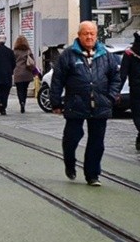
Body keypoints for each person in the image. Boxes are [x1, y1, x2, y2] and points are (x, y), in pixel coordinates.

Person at [50, 21, 121, 186]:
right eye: (85, 33)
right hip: (75, 104)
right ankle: (69, 162)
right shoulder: (68, 55)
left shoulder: (106, 55)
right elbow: (57, 79)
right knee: (71, 138)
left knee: (97, 142)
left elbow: (115, 78)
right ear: (79, 35)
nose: (89, 37)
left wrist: (110, 97)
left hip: (100, 104)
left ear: (96, 35)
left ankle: (92, 174)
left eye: (92, 34)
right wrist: (56, 102)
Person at [13, 35, 37, 114]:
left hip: (18, 73)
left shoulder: (15, 51)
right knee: (25, 89)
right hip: (27, 73)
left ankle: (21, 103)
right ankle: (24, 102)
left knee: (19, 89)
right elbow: (33, 61)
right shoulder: (28, 50)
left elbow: (12, 62)